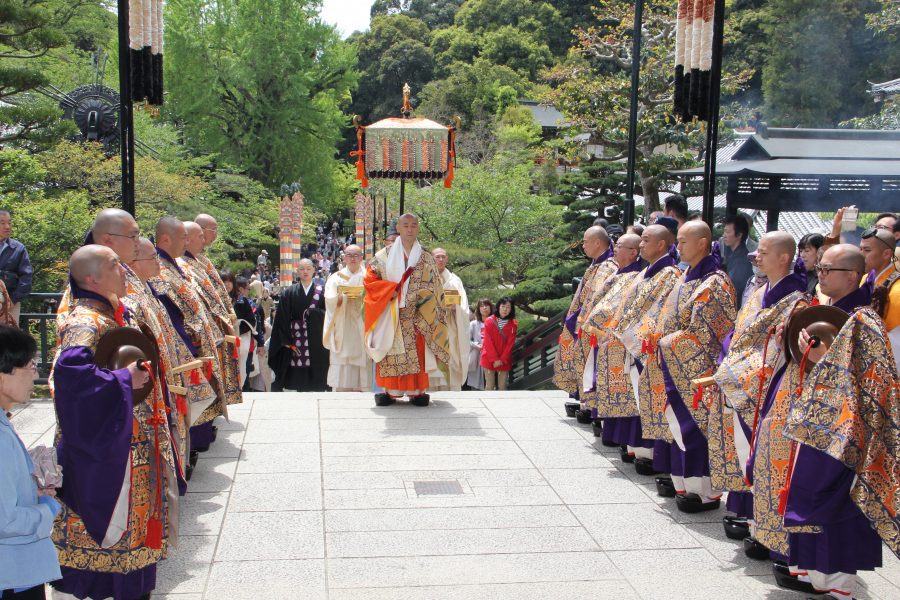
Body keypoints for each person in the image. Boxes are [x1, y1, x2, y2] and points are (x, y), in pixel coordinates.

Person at [50, 245, 172, 600]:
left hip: (129, 433)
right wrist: (122, 381)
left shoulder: (113, 311)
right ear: (91, 278)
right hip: (112, 441)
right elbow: (70, 375)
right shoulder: (86, 320)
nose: (123, 269)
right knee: (113, 517)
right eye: (114, 265)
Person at [773, 245, 893, 598]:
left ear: (853, 276)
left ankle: (840, 582)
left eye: (828, 269)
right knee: (807, 493)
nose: (820, 274)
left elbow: (873, 379)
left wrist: (825, 357)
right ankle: (814, 573)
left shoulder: (864, 319)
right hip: (816, 422)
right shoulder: (827, 310)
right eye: (820, 268)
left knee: (834, 502)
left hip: (843, 432)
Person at [711, 232, 806, 543]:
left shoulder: (797, 300)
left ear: (784, 257)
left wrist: (738, 369)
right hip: (740, 377)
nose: (756, 257)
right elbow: (738, 332)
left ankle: (763, 525)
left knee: (761, 454)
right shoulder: (758, 291)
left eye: (763, 252)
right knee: (741, 449)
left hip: (766, 384)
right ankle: (747, 514)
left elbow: (782, 349)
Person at [655, 222, 736, 512]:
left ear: (702, 243)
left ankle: (703, 490)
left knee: (697, 429)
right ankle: (683, 483)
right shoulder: (686, 275)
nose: (679, 247)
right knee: (679, 425)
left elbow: (707, 332)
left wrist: (668, 340)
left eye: (684, 241)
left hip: (696, 368)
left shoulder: (715, 282)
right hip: (675, 361)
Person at [150, 216, 227, 453]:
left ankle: (198, 441)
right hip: (182, 342)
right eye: (183, 237)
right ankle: (192, 446)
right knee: (190, 399)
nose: (187, 242)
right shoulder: (159, 269)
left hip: (197, 337)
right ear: (165, 239)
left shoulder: (177, 264)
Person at [611, 224, 682, 473]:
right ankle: (641, 450)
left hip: (647, 344)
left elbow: (661, 312)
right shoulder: (647, 272)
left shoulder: (671, 274)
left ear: (661, 244)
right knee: (639, 399)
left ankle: (652, 453)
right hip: (634, 342)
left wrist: (637, 336)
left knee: (651, 400)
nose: (641, 245)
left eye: (645, 240)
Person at [363, 214, 450, 407]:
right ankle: (389, 391)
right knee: (390, 352)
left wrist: (425, 301)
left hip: (418, 315)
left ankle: (417, 392)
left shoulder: (426, 256)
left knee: (417, 353)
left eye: (413, 225)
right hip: (392, 314)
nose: (410, 229)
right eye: (406, 225)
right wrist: (388, 292)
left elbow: (436, 285)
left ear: (418, 228)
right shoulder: (382, 256)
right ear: (399, 229)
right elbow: (370, 281)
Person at [0, 326, 61, 600]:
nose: (35, 374)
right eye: (30, 365)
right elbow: (4, 520)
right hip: (11, 576)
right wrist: (46, 510)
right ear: (3, 375)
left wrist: (29, 493)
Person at [580, 233, 648, 457]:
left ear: (633, 252)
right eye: (616, 245)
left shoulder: (637, 276)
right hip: (605, 337)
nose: (615, 249)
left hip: (621, 341)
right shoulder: (621, 272)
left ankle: (632, 445)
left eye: (620, 246)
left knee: (626, 393)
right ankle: (616, 435)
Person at [552, 226, 616, 399]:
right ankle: (582, 399)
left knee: (590, 366)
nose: (583, 246)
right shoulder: (596, 264)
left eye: (586, 242)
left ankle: (589, 404)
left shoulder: (609, 267)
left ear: (597, 243)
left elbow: (600, 300)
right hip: (581, 322)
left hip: (593, 327)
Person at [269, 259, 329, 392]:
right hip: (295, 337)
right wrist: (286, 340)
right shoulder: (289, 292)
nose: (305, 271)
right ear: (297, 272)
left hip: (316, 337)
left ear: (314, 270)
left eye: (308, 268)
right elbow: (282, 318)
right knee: (295, 369)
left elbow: (329, 315)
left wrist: (315, 314)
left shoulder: (323, 291)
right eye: (302, 269)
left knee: (318, 371)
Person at [322, 245, 370, 392]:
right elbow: (329, 299)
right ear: (344, 257)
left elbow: (377, 297)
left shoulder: (369, 276)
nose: (353, 258)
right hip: (343, 323)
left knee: (363, 357)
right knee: (343, 360)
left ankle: (364, 389)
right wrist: (338, 298)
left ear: (362, 257)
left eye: (356, 255)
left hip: (362, 322)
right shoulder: (336, 278)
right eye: (349, 255)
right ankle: (342, 390)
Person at [860, 227, 899, 370]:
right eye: (860, 249)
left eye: (867, 250)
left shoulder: (897, 291)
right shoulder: (864, 279)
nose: (861, 254)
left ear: (887, 253)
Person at [432, 248, 470, 391]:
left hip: (450, 325)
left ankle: (452, 388)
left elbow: (464, 306)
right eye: (437, 257)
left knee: (452, 356)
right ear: (432, 259)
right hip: (433, 326)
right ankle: (433, 388)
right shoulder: (426, 279)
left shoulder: (455, 280)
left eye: (443, 257)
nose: (440, 260)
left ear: (447, 259)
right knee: (433, 358)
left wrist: (456, 308)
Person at [229, 275, 265, 390]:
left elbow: (256, 323)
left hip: (244, 342)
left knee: (244, 370)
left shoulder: (247, 303)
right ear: (240, 289)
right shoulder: (224, 300)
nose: (249, 291)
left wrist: (260, 343)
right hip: (232, 342)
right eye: (248, 288)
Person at [0, 209, 33, 324]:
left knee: (8, 339)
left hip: (11, 303)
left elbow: (26, 277)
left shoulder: (18, 248)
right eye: (2, 223)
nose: (7, 226)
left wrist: (13, 301)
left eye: (9, 222)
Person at [480, 297, 517, 391]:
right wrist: (495, 359)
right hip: (489, 358)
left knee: (502, 386)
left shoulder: (513, 324)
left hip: (504, 360)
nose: (505, 309)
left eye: (508, 307)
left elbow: (510, 344)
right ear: (498, 307)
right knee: (489, 386)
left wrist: (502, 359)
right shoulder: (489, 321)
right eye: (503, 306)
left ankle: (501, 405)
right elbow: (487, 342)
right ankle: (488, 404)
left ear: (511, 309)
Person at [721, 215, 754, 308]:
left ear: (739, 235)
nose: (724, 235)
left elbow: (735, 290)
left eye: (727, 232)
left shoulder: (743, 260)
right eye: (724, 231)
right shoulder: (731, 254)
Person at [466, 299, 492, 390]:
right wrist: (475, 345)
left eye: (486, 305)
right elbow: (466, 340)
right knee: (475, 385)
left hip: (491, 356)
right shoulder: (473, 324)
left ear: (491, 308)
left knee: (490, 382)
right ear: (478, 309)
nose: (484, 308)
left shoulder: (494, 323)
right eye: (481, 306)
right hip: (477, 356)